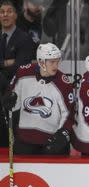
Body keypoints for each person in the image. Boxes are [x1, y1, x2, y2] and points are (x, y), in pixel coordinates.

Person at [0, 43, 75, 155]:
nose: (56, 66)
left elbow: (69, 114)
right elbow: (11, 97)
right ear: (41, 62)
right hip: (25, 141)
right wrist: (8, 99)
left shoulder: (63, 82)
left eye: (57, 61)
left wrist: (63, 134)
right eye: (52, 62)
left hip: (51, 142)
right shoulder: (23, 73)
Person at [0, 0, 35, 147]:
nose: (5, 15)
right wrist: (6, 62)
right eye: (2, 12)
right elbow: (12, 64)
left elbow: (21, 67)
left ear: (15, 15)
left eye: (9, 11)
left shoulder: (25, 39)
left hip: (15, 95)